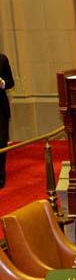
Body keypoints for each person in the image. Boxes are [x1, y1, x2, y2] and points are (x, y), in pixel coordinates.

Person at [0, 52, 15, 188]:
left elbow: (11, 82)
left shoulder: (2, 59)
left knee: (1, 142)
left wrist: (2, 83)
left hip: (0, 109)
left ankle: (0, 176)